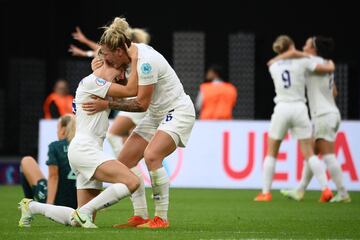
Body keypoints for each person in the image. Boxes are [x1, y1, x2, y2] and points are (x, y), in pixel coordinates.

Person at [18, 17, 140, 228]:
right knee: (132, 181)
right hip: (85, 150)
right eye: (123, 68)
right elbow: (132, 90)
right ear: (111, 63)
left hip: (85, 149)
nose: (124, 72)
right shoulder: (96, 82)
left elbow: (125, 90)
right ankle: (84, 212)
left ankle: (32, 207)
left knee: (81, 219)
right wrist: (137, 59)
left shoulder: (97, 81)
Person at [82, 17, 196, 229]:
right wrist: (100, 68)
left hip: (177, 111)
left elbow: (141, 103)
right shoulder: (127, 56)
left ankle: (161, 219)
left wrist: (107, 104)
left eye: (107, 56)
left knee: (152, 155)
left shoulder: (145, 61)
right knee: (123, 163)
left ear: (118, 51)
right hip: (156, 114)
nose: (106, 60)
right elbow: (127, 84)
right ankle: (140, 216)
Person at [254, 35, 335, 202]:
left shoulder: (274, 65)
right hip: (299, 108)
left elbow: (270, 62)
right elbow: (323, 68)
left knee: (271, 152)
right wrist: (305, 56)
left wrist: (290, 54)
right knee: (309, 153)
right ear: (292, 46)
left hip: (282, 108)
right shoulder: (303, 61)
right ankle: (326, 189)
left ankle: (266, 192)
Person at [278, 36, 351, 203]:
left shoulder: (310, 60)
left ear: (314, 49)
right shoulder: (324, 63)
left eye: (307, 44)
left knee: (328, 155)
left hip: (323, 115)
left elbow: (292, 54)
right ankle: (300, 190)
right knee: (312, 153)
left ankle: (343, 193)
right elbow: (334, 92)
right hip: (331, 112)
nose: (303, 47)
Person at [69, 26, 151, 157]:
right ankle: (127, 167)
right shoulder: (116, 64)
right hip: (87, 146)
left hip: (139, 102)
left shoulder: (135, 59)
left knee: (116, 137)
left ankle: (124, 166)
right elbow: (101, 54)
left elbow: (130, 90)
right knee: (126, 142)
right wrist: (90, 56)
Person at [19, 114, 77, 210]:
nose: (57, 131)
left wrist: (49, 206)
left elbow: (53, 176)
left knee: (26, 161)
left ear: (63, 130)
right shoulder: (83, 146)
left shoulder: (55, 146)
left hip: (58, 203)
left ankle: (27, 207)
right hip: (79, 202)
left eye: (57, 128)